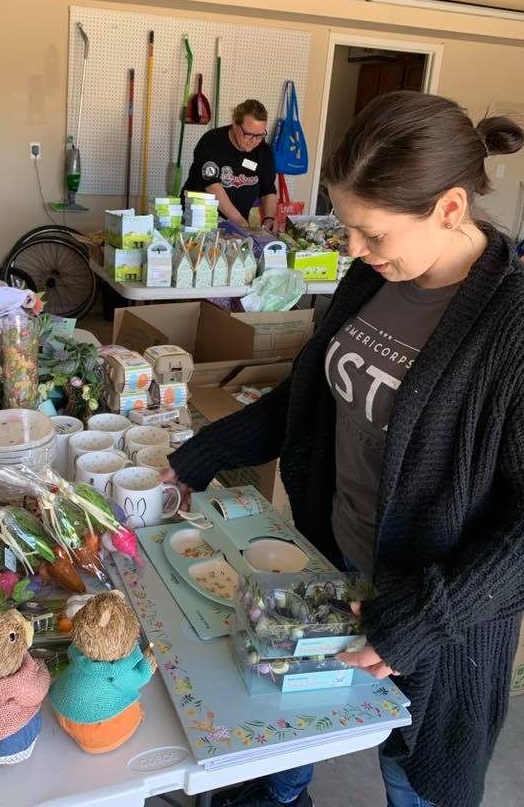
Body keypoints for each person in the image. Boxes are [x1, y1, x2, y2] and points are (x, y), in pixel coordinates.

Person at [162, 91, 524, 807]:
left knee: (413, 776)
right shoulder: (371, 277)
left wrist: (420, 621)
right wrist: (195, 459)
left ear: (450, 209)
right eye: (347, 228)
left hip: (438, 620)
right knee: (281, 739)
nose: (352, 250)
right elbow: (311, 399)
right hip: (328, 572)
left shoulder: (510, 327)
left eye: (372, 233)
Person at [181, 99, 278, 233]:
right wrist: (239, 221)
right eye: (249, 134)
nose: (254, 141)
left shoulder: (263, 151)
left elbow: (268, 190)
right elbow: (212, 186)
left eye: (260, 135)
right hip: (200, 223)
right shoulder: (212, 142)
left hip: (237, 227)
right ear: (235, 123)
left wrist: (269, 218)